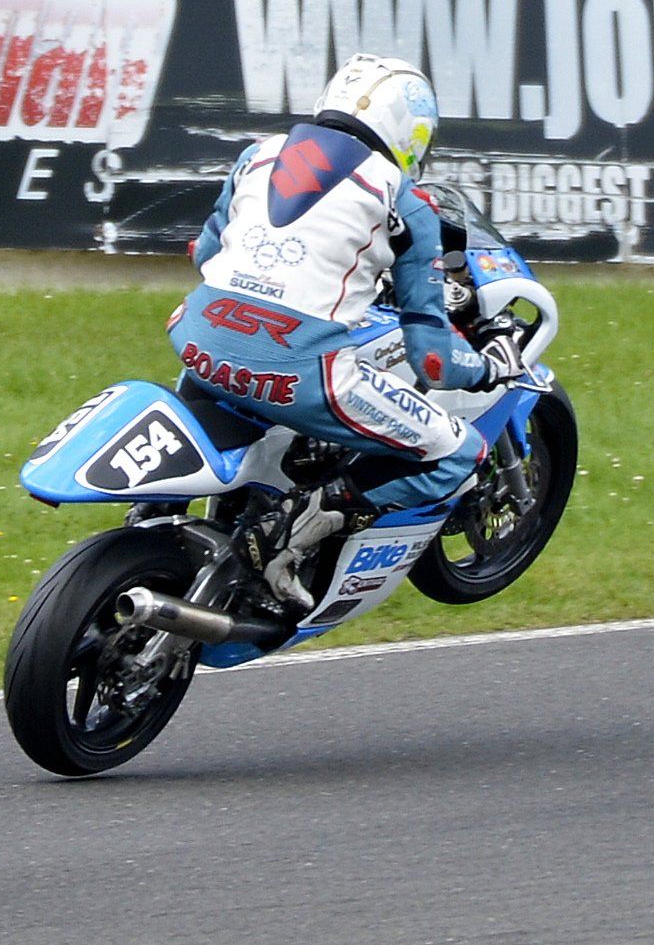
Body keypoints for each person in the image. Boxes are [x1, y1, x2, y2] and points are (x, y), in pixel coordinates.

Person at [166, 53, 524, 610]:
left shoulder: (257, 155)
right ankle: (299, 532)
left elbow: (206, 254)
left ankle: (155, 517)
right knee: (459, 453)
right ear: (412, 135)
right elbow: (432, 361)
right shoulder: (404, 200)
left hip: (197, 342)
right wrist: (490, 367)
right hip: (301, 376)